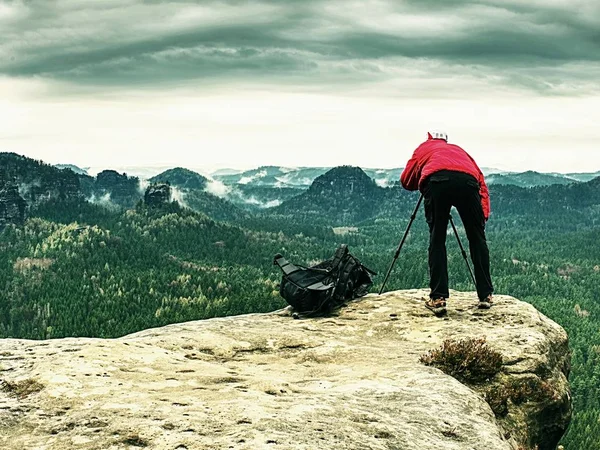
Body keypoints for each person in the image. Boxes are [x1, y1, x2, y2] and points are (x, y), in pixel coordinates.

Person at [400, 131, 493, 315]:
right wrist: (482, 216)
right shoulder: (460, 150)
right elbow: (481, 181)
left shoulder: (424, 148)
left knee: (437, 238)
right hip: (467, 183)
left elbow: (406, 180)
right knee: (477, 239)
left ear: (430, 138)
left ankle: (438, 298)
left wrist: (423, 176)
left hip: (437, 182)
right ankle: (486, 295)